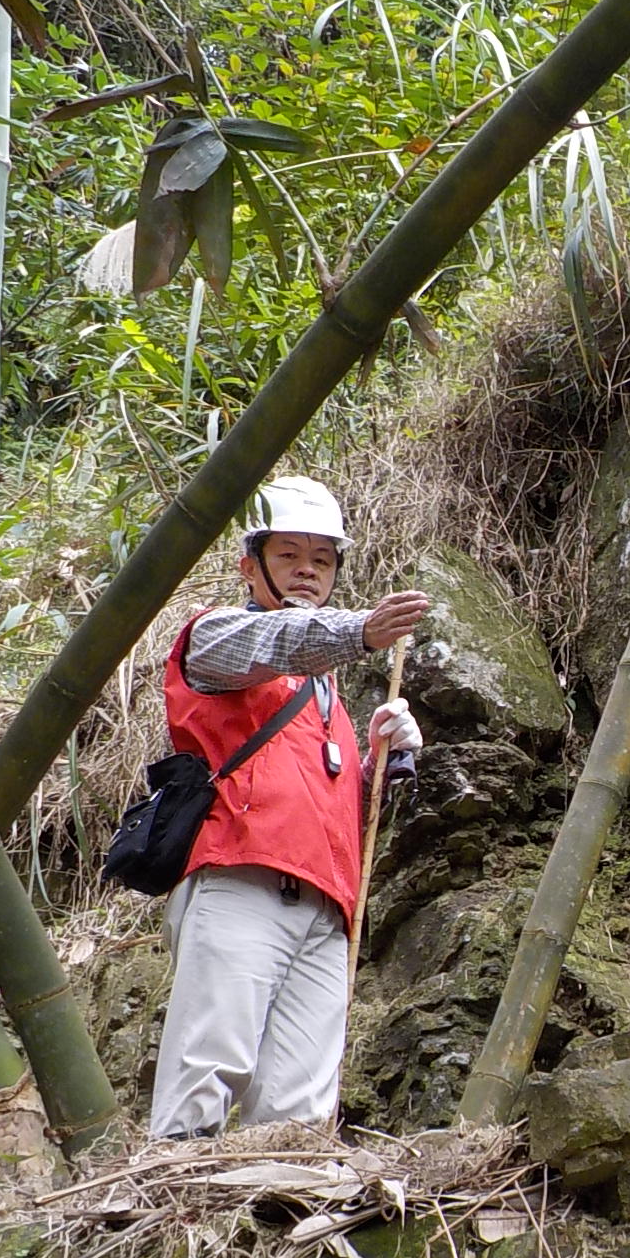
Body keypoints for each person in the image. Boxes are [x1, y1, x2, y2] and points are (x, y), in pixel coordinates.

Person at [148, 476, 432, 1138]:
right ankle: (181, 1223)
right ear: (251, 565)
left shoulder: (326, 691)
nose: (308, 570)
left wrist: (380, 763)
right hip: (241, 879)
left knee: (300, 1109)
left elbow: (337, 807)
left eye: (323, 560)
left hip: (327, 906)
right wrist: (359, 631)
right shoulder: (215, 641)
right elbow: (279, 641)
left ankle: (276, 1221)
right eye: (289, 555)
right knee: (210, 1066)